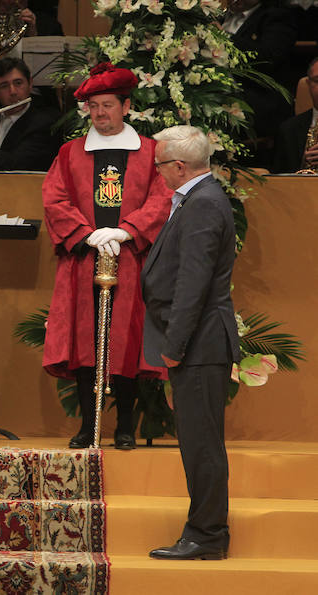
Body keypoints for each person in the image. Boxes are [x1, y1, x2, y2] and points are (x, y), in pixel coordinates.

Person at [41, 62, 172, 450]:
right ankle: (87, 426)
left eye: (108, 105)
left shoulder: (151, 153)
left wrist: (127, 229)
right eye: (93, 106)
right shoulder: (70, 153)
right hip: (84, 259)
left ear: (126, 106)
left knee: (128, 342)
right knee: (86, 342)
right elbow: (54, 198)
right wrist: (87, 234)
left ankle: (127, 426)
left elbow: (163, 198)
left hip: (132, 259)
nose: (100, 114)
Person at [144, 125, 240, 560]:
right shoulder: (201, 198)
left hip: (198, 344)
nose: (158, 171)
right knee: (199, 441)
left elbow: (192, 285)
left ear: (179, 166)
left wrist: (174, 346)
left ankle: (206, 535)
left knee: (202, 445)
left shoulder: (202, 204)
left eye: (161, 164)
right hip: (197, 344)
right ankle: (205, 532)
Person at [221, 0, 297, 163]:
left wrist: (220, 37)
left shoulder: (278, 16)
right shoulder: (218, 15)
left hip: (254, 104)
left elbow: (267, 58)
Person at [273, 57, 318, 173]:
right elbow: (279, 179)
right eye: (317, 81)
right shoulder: (288, 130)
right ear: (308, 84)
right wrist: (303, 164)